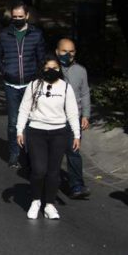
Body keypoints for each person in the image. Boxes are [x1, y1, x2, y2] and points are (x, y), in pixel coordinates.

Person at [18, 56, 81, 220]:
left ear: (59, 69)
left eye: (55, 67)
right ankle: (36, 200)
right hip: (36, 132)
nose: (51, 70)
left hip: (59, 133)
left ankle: (50, 205)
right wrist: (19, 131)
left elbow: (73, 113)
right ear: (42, 69)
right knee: (39, 170)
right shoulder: (34, 85)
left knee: (53, 172)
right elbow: (24, 109)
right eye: (48, 67)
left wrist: (76, 135)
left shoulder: (66, 88)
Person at [0, 3, 46, 170]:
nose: (17, 19)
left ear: (27, 16)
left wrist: (36, 75)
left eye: (20, 17)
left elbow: (41, 58)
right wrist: (5, 71)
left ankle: (30, 154)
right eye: (14, 17)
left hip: (30, 85)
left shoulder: (36, 34)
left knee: (31, 121)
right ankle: (14, 153)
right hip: (11, 84)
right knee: (13, 122)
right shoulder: (4, 34)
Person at [55, 38, 91, 198]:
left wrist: (86, 115)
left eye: (71, 51)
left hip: (73, 118)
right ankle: (49, 182)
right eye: (64, 51)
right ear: (57, 52)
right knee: (53, 152)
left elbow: (85, 94)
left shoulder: (80, 70)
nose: (68, 54)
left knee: (73, 151)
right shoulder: (51, 69)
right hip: (54, 117)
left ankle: (77, 185)